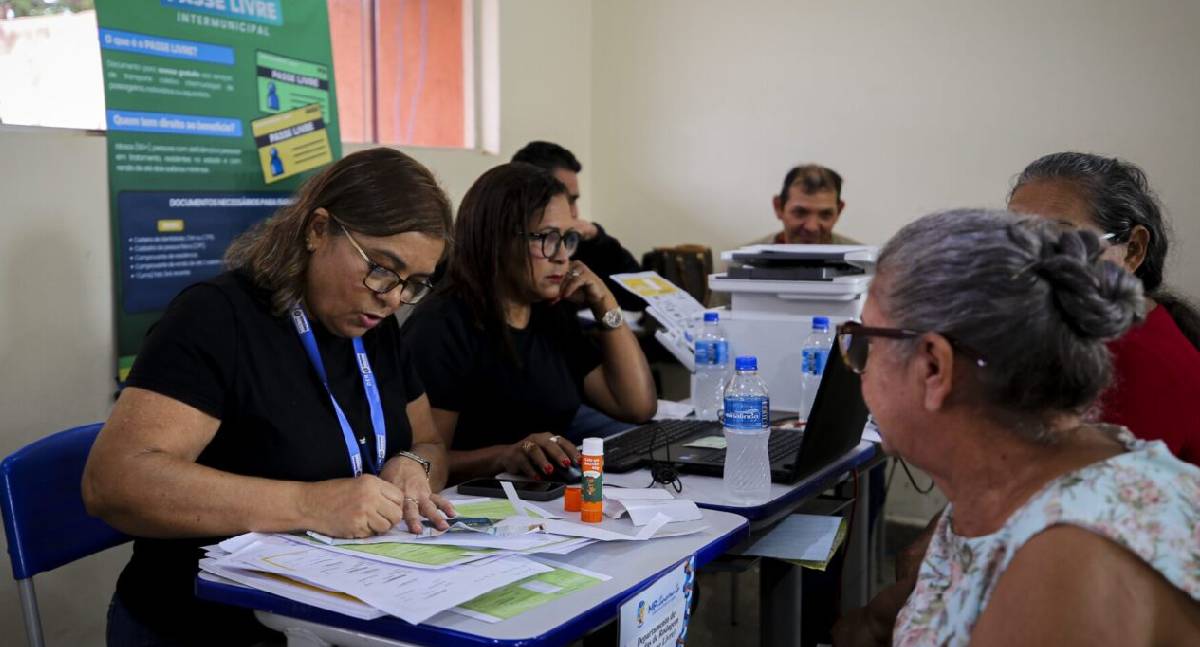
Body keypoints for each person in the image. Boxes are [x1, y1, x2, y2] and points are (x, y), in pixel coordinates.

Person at [82, 148, 457, 646]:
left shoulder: (377, 330)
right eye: (382, 268)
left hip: (337, 609)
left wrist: (413, 465)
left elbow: (431, 445)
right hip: (206, 624)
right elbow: (114, 482)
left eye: (414, 284)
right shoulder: (216, 319)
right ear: (318, 230)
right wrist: (309, 504)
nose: (391, 298)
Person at [835, 152, 1200, 645]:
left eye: (864, 343)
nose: (856, 365)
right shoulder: (1027, 475)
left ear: (934, 366)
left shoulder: (1066, 563)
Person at [401, 162, 657, 484]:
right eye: (546, 238)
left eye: (568, 239)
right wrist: (503, 456)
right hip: (470, 501)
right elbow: (424, 460)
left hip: (544, 496)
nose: (562, 256)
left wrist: (605, 303)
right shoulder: (442, 326)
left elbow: (636, 406)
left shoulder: (550, 312)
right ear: (497, 239)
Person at [1009, 152, 1200, 463]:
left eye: (1058, 238)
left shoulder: (1134, 365)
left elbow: (1075, 487)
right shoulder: (1078, 338)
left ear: (1133, 249)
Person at [511, 140, 644, 311]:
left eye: (573, 200)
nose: (574, 212)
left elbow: (639, 298)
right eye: (565, 199)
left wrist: (598, 238)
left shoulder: (577, 244)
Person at [752, 163, 859, 245]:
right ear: (779, 207)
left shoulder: (863, 262)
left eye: (825, 214)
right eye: (800, 212)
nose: (812, 227)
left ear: (839, 211)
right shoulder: (743, 260)